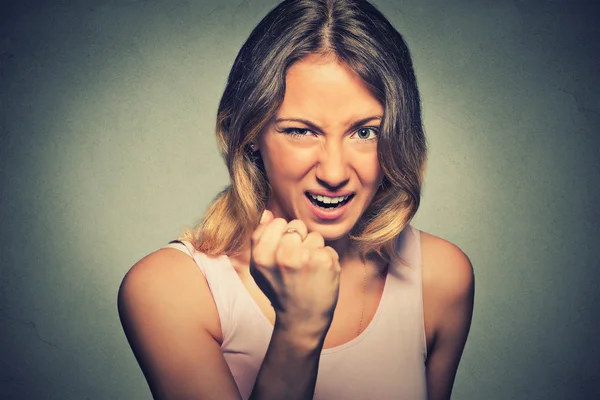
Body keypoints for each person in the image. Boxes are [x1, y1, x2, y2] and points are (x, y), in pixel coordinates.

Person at [117, 0, 475, 399]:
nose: (335, 173)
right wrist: (299, 328)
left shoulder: (441, 278)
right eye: (301, 131)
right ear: (250, 133)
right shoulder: (171, 289)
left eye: (365, 132)